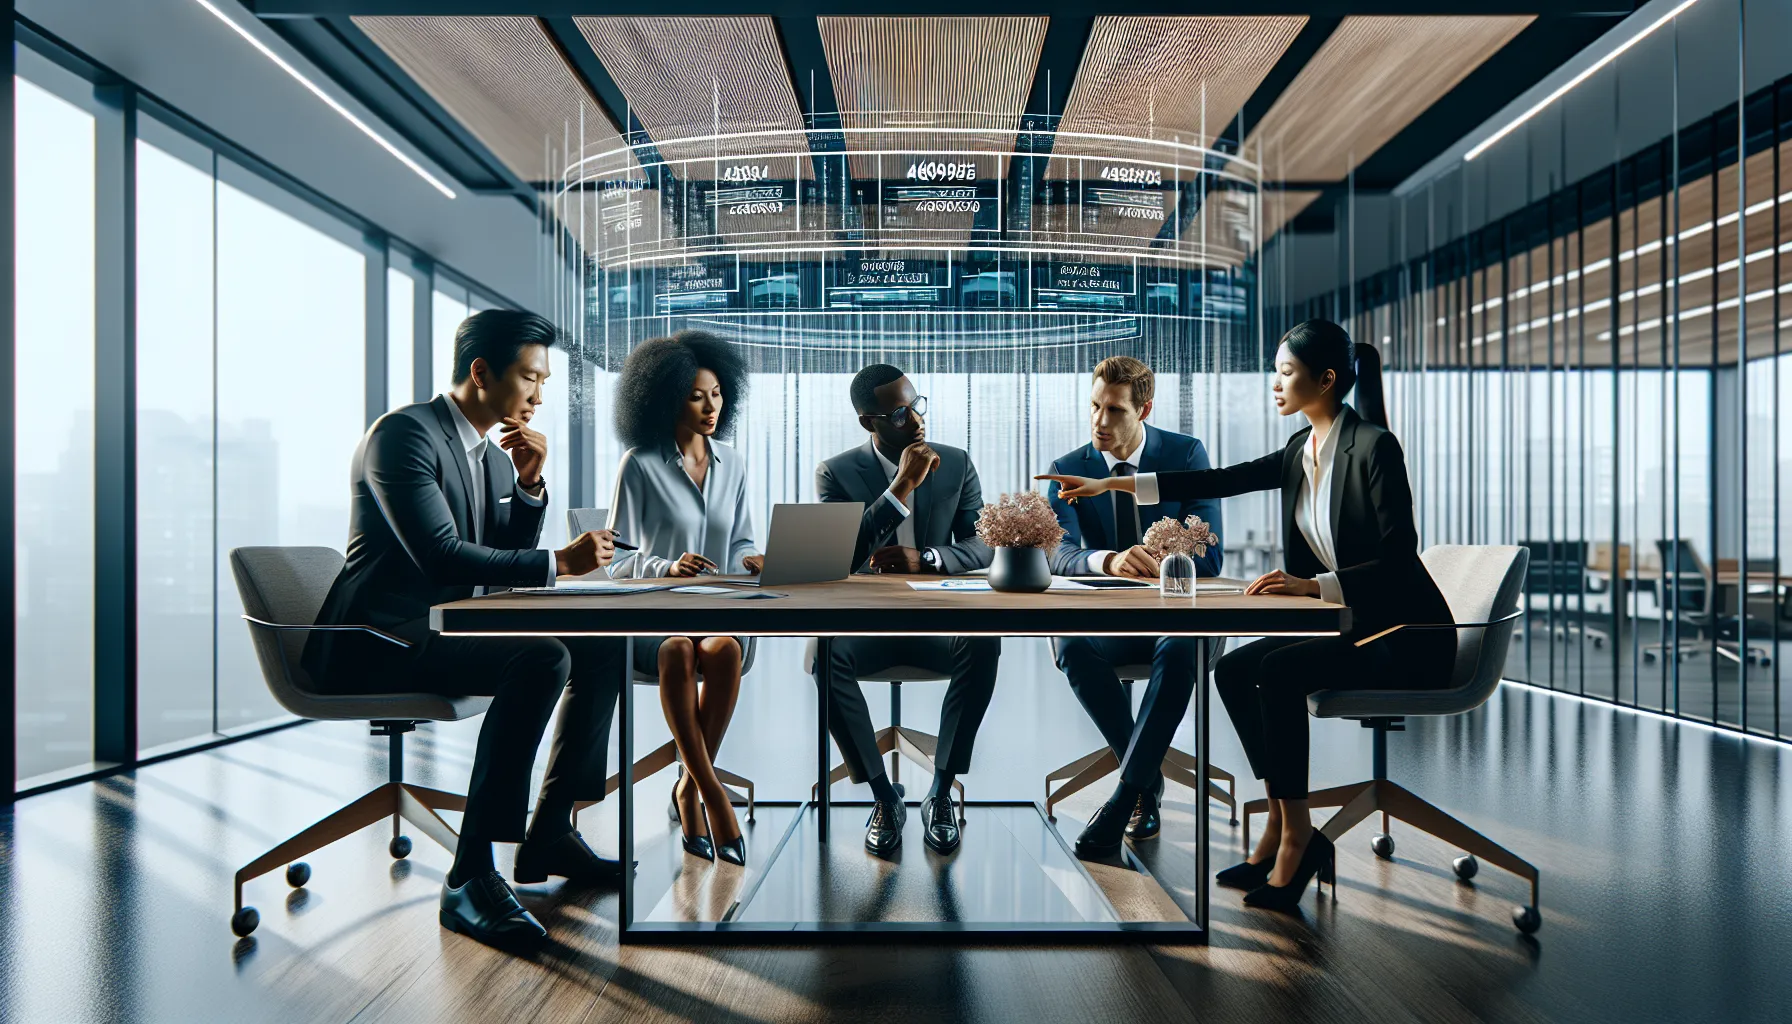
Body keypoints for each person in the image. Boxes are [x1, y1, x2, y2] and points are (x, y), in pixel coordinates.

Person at [1038, 319, 1454, 913]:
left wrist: (1315, 586)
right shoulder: (1301, 449)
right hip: (1356, 625)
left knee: (1280, 673)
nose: (1275, 384)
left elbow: (1400, 560)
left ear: (1327, 380)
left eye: (1286, 373)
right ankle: (1282, 829)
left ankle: (1296, 841)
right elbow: (1219, 480)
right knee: (1235, 672)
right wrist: (1112, 488)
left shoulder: (1373, 446)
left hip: (1404, 634)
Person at [303, 309, 627, 951]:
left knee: (600, 642)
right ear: (481, 373)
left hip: (445, 630)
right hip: (381, 640)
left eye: (544, 381)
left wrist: (530, 488)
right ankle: (470, 875)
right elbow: (443, 555)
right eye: (530, 378)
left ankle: (552, 830)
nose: (539, 395)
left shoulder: (491, 455)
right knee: (537, 661)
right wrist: (559, 562)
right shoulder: (403, 436)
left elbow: (498, 567)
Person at [814, 364, 1001, 857]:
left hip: (937, 625)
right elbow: (841, 557)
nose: (917, 421)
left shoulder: (957, 463)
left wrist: (931, 558)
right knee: (821, 653)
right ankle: (883, 797)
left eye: (917, 405)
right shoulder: (835, 472)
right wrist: (901, 488)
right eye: (900, 414)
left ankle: (939, 794)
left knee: (985, 641)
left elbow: (983, 544)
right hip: (869, 629)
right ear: (868, 423)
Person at [1040, 356, 1223, 857]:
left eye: (1115, 410)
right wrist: (1108, 560)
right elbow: (1058, 553)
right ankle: (1144, 781)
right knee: (1071, 644)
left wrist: (1158, 561)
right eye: (1095, 406)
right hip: (1101, 621)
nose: (1100, 421)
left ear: (1144, 409)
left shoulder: (1186, 456)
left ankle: (1126, 797)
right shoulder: (1068, 469)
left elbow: (1209, 556)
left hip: (1176, 616)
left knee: (1182, 650)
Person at [606, 330, 761, 868]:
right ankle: (713, 795)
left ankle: (688, 788)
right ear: (667, 396)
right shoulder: (640, 464)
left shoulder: (733, 463)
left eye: (717, 393)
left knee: (723, 652)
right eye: (697, 395)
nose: (710, 405)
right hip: (656, 608)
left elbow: (740, 539)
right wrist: (666, 567)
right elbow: (614, 557)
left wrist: (752, 558)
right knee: (676, 650)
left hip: (718, 607)